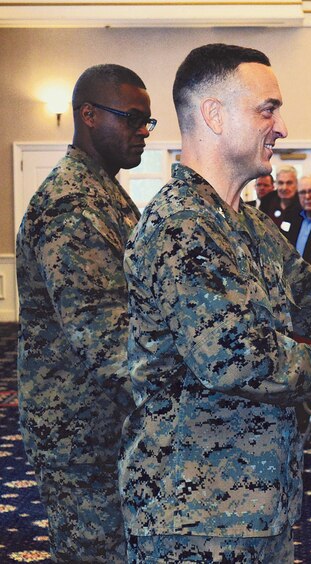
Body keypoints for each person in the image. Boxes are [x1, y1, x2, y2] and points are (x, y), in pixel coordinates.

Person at [120, 43, 311, 562]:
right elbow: (239, 360)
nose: (281, 126)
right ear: (213, 115)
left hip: (256, 503)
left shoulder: (243, 221)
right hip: (195, 515)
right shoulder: (183, 225)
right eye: (268, 109)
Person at [16, 63, 154, 562]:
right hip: (79, 428)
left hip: (105, 418)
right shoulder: (73, 202)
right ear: (89, 115)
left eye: (147, 121)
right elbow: (107, 341)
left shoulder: (104, 192)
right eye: (133, 118)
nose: (142, 131)